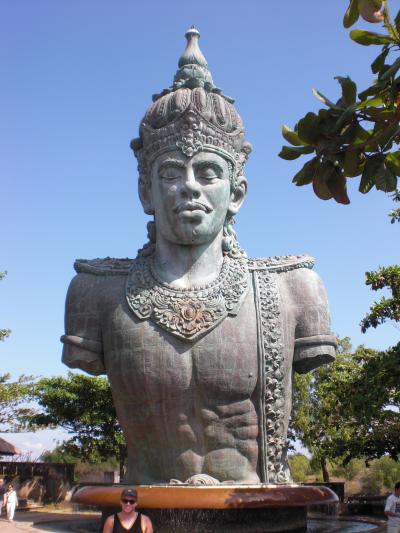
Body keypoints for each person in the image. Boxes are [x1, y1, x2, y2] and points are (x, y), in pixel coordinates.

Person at [61, 27, 336, 485]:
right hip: (145, 507)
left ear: (237, 193)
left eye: (208, 173)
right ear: (145, 192)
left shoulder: (293, 289)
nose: (189, 186)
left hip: (257, 505)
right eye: (171, 173)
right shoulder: (96, 292)